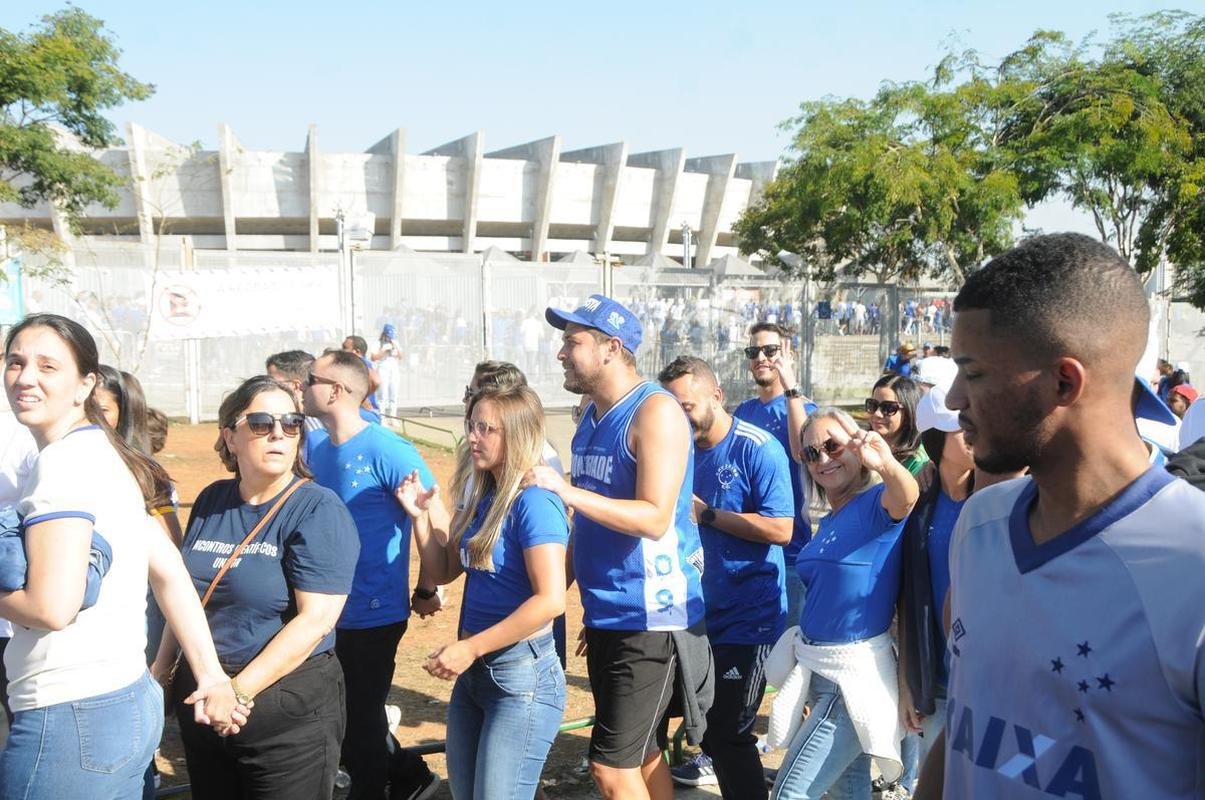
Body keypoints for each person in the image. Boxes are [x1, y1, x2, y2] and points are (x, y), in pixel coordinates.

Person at [915, 233, 1205, 799]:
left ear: (1064, 382)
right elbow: (970, 734)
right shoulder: (981, 526)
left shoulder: (1192, 563)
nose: (952, 401)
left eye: (972, 373)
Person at [0, 313, 241, 799]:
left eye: (48, 366)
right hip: (126, 698)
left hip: (68, 711)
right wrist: (211, 673)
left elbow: (51, 607)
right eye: (15, 362)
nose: (26, 377)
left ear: (84, 383)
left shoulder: (62, 464)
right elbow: (171, 573)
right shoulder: (110, 455)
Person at [527, 294, 710, 800]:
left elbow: (654, 518)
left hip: (653, 615)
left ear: (611, 347)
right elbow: (590, 525)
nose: (561, 352)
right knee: (644, 754)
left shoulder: (655, 412)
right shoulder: (590, 416)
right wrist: (554, 594)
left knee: (609, 768)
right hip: (611, 614)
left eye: (573, 341)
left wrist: (566, 491)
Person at [160, 374, 360, 799]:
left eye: (291, 423)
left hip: (285, 718)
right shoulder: (212, 500)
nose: (277, 433)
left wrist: (235, 692)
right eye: (261, 422)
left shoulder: (319, 509)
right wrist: (162, 673)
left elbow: (316, 620)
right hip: (206, 702)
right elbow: (185, 597)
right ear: (230, 438)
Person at [398, 384, 569, 800]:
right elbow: (443, 570)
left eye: (486, 429)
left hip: (522, 677)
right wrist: (420, 518)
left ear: (517, 434)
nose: (472, 437)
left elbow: (551, 599)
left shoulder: (535, 503)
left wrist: (470, 648)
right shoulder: (484, 494)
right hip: (478, 676)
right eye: (471, 426)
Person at [301, 349, 442, 800]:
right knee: (340, 717)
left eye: (311, 378)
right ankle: (408, 776)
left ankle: (386, 785)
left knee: (359, 723)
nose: (302, 386)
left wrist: (425, 587)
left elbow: (434, 519)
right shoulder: (315, 444)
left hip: (372, 612)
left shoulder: (389, 449)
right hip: (319, 610)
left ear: (336, 390)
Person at [659, 357, 793, 799]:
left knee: (730, 732)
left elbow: (782, 528)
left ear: (716, 395)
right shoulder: (674, 449)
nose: (680, 417)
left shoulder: (758, 447)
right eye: (671, 408)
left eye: (688, 406)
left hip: (749, 616)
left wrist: (710, 515)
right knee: (704, 729)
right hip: (694, 612)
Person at [768, 409, 918, 799]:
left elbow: (908, 495)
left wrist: (884, 463)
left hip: (850, 680)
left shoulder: (875, 507)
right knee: (848, 792)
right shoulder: (832, 520)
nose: (823, 459)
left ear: (856, 445)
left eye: (833, 446)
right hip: (820, 674)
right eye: (811, 453)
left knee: (788, 792)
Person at [732, 322, 815, 634]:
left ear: (788, 353)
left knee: (788, 659)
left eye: (771, 350)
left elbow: (802, 453)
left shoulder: (803, 408)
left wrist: (791, 385)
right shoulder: (744, 410)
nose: (761, 357)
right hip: (746, 549)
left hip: (790, 552)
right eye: (754, 351)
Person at [866, 374, 928, 475]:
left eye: (888, 408)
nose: (877, 413)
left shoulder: (917, 462)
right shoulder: (862, 447)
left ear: (909, 413)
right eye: (873, 405)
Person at [343, 335, 382, 415]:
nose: (342, 351)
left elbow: (375, 381)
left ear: (357, 351)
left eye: (345, 348)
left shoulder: (360, 365)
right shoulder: (358, 364)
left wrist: (362, 400)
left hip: (365, 412)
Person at [372, 325, 402, 418]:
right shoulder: (378, 343)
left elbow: (401, 356)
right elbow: (373, 357)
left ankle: (393, 417)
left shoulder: (395, 342)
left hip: (394, 369)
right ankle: (382, 417)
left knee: (394, 394)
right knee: (382, 394)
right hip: (383, 369)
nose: (390, 338)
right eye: (389, 335)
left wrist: (396, 347)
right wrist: (383, 350)